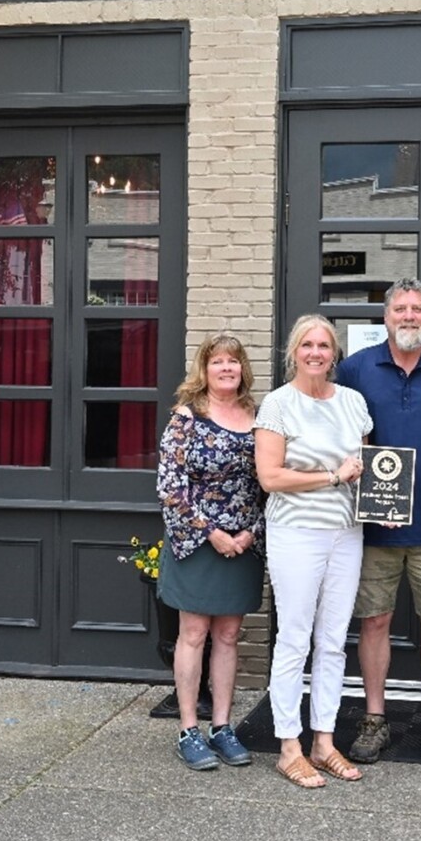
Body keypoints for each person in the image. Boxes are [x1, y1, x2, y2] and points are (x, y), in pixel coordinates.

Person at [335, 279, 421, 768]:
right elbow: (336, 436)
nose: (409, 316)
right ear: (386, 316)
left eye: (418, 308)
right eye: (401, 308)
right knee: (373, 621)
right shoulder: (354, 370)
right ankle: (374, 718)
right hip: (373, 526)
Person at [254, 313, 372, 788]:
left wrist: (382, 501)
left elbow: (364, 468)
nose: (316, 353)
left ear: (334, 353)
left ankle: (323, 742)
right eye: (308, 345)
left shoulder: (353, 402)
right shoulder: (278, 404)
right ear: (294, 352)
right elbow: (271, 477)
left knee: (333, 640)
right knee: (294, 639)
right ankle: (288, 746)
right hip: (296, 533)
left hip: (346, 533)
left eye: (324, 345)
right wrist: (331, 477)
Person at [155, 333, 266, 772]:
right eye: (217, 362)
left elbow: (267, 484)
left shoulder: (258, 416)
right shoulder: (186, 418)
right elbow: (170, 488)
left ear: (242, 369)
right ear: (204, 369)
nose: (226, 368)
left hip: (243, 544)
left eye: (233, 362)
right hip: (197, 543)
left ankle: (222, 727)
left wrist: (251, 533)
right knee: (194, 634)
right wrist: (211, 531)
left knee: (227, 635)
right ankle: (189, 730)